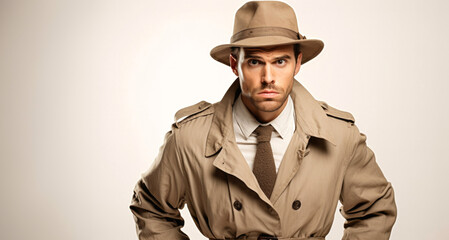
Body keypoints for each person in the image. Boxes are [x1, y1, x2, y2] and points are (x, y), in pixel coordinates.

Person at [130, 1, 397, 240]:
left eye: (280, 61)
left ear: (298, 63)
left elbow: (374, 209)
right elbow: (151, 207)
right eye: (255, 62)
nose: (268, 77)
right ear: (235, 64)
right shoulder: (189, 139)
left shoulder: (339, 136)